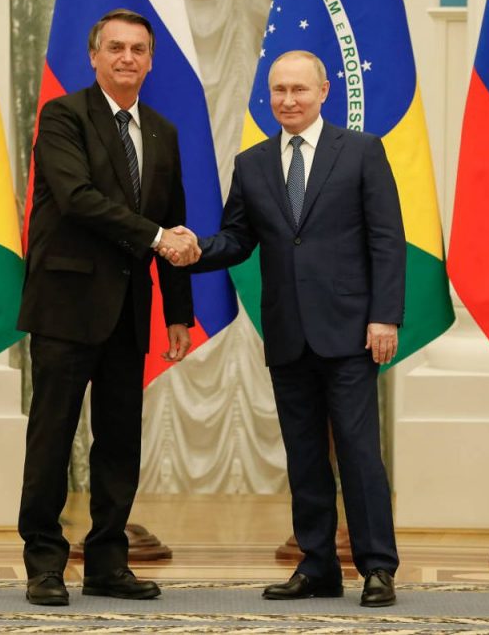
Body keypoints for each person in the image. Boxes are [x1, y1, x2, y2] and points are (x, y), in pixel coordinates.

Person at [163, 50, 404, 607]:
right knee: (303, 454)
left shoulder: (362, 151)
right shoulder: (252, 164)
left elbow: (387, 239)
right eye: (279, 90)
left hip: (351, 332)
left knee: (359, 453)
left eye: (299, 89)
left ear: (323, 91)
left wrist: (385, 316)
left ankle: (377, 567)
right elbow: (237, 239)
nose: (288, 100)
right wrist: (195, 249)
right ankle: (317, 566)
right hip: (288, 333)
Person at [17, 8, 201, 607]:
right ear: (94, 56)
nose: (127, 58)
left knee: (119, 442)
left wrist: (178, 312)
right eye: (115, 47)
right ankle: (44, 563)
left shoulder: (163, 131)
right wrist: (158, 238)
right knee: (52, 438)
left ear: (151, 61)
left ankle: (106, 562)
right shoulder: (64, 116)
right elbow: (79, 199)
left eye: (138, 49)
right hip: (65, 306)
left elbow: (174, 220)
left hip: (128, 309)